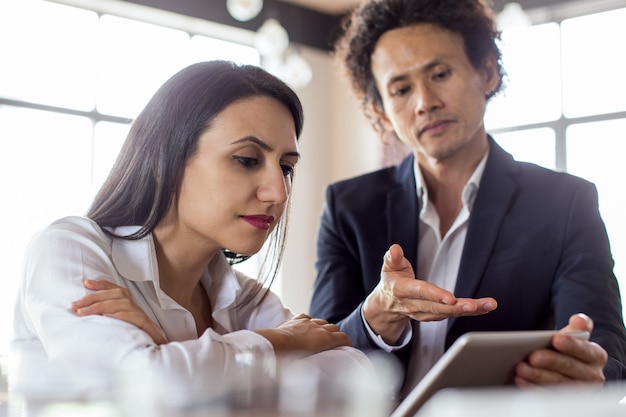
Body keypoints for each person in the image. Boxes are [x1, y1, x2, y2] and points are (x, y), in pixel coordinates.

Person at [309, 0, 626, 398]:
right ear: (382, 111)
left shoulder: (566, 201)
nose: (424, 101)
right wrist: (377, 318)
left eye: (440, 74)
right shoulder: (348, 206)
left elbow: (608, 350)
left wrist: (588, 370)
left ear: (488, 73)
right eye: (401, 89)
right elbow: (316, 360)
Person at [11, 61, 372, 406]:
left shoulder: (240, 296)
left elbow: (354, 373)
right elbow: (143, 391)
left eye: (286, 168)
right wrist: (278, 343)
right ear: (164, 159)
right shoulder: (69, 249)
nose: (278, 193)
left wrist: (170, 352)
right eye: (247, 160)